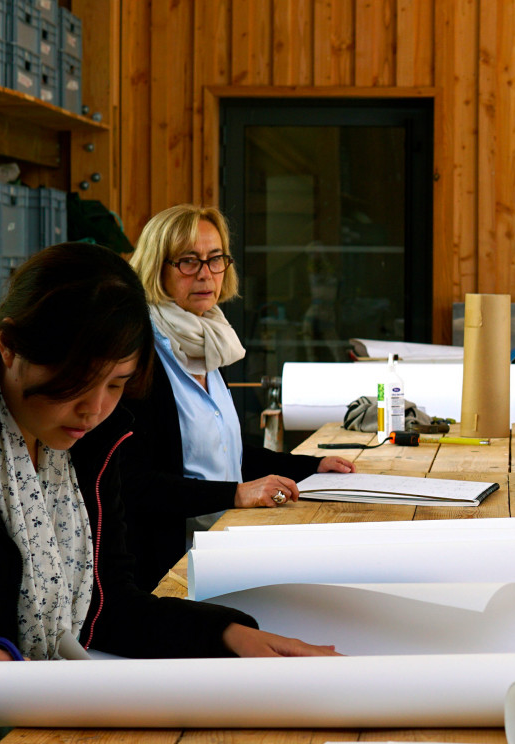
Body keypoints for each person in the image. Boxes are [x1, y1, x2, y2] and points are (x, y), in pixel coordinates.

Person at [0, 243, 337, 744]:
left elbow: (105, 609)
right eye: (74, 383)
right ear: (10, 346)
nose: (92, 409)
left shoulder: (89, 451)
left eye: (116, 384)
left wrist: (226, 633)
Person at [124, 205, 355, 586]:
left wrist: (312, 467)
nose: (204, 274)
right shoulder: (139, 355)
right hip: (167, 570)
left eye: (215, 259)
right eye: (187, 261)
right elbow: (135, 484)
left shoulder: (208, 342)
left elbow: (225, 452)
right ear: (155, 267)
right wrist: (235, 494)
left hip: (224, 546)